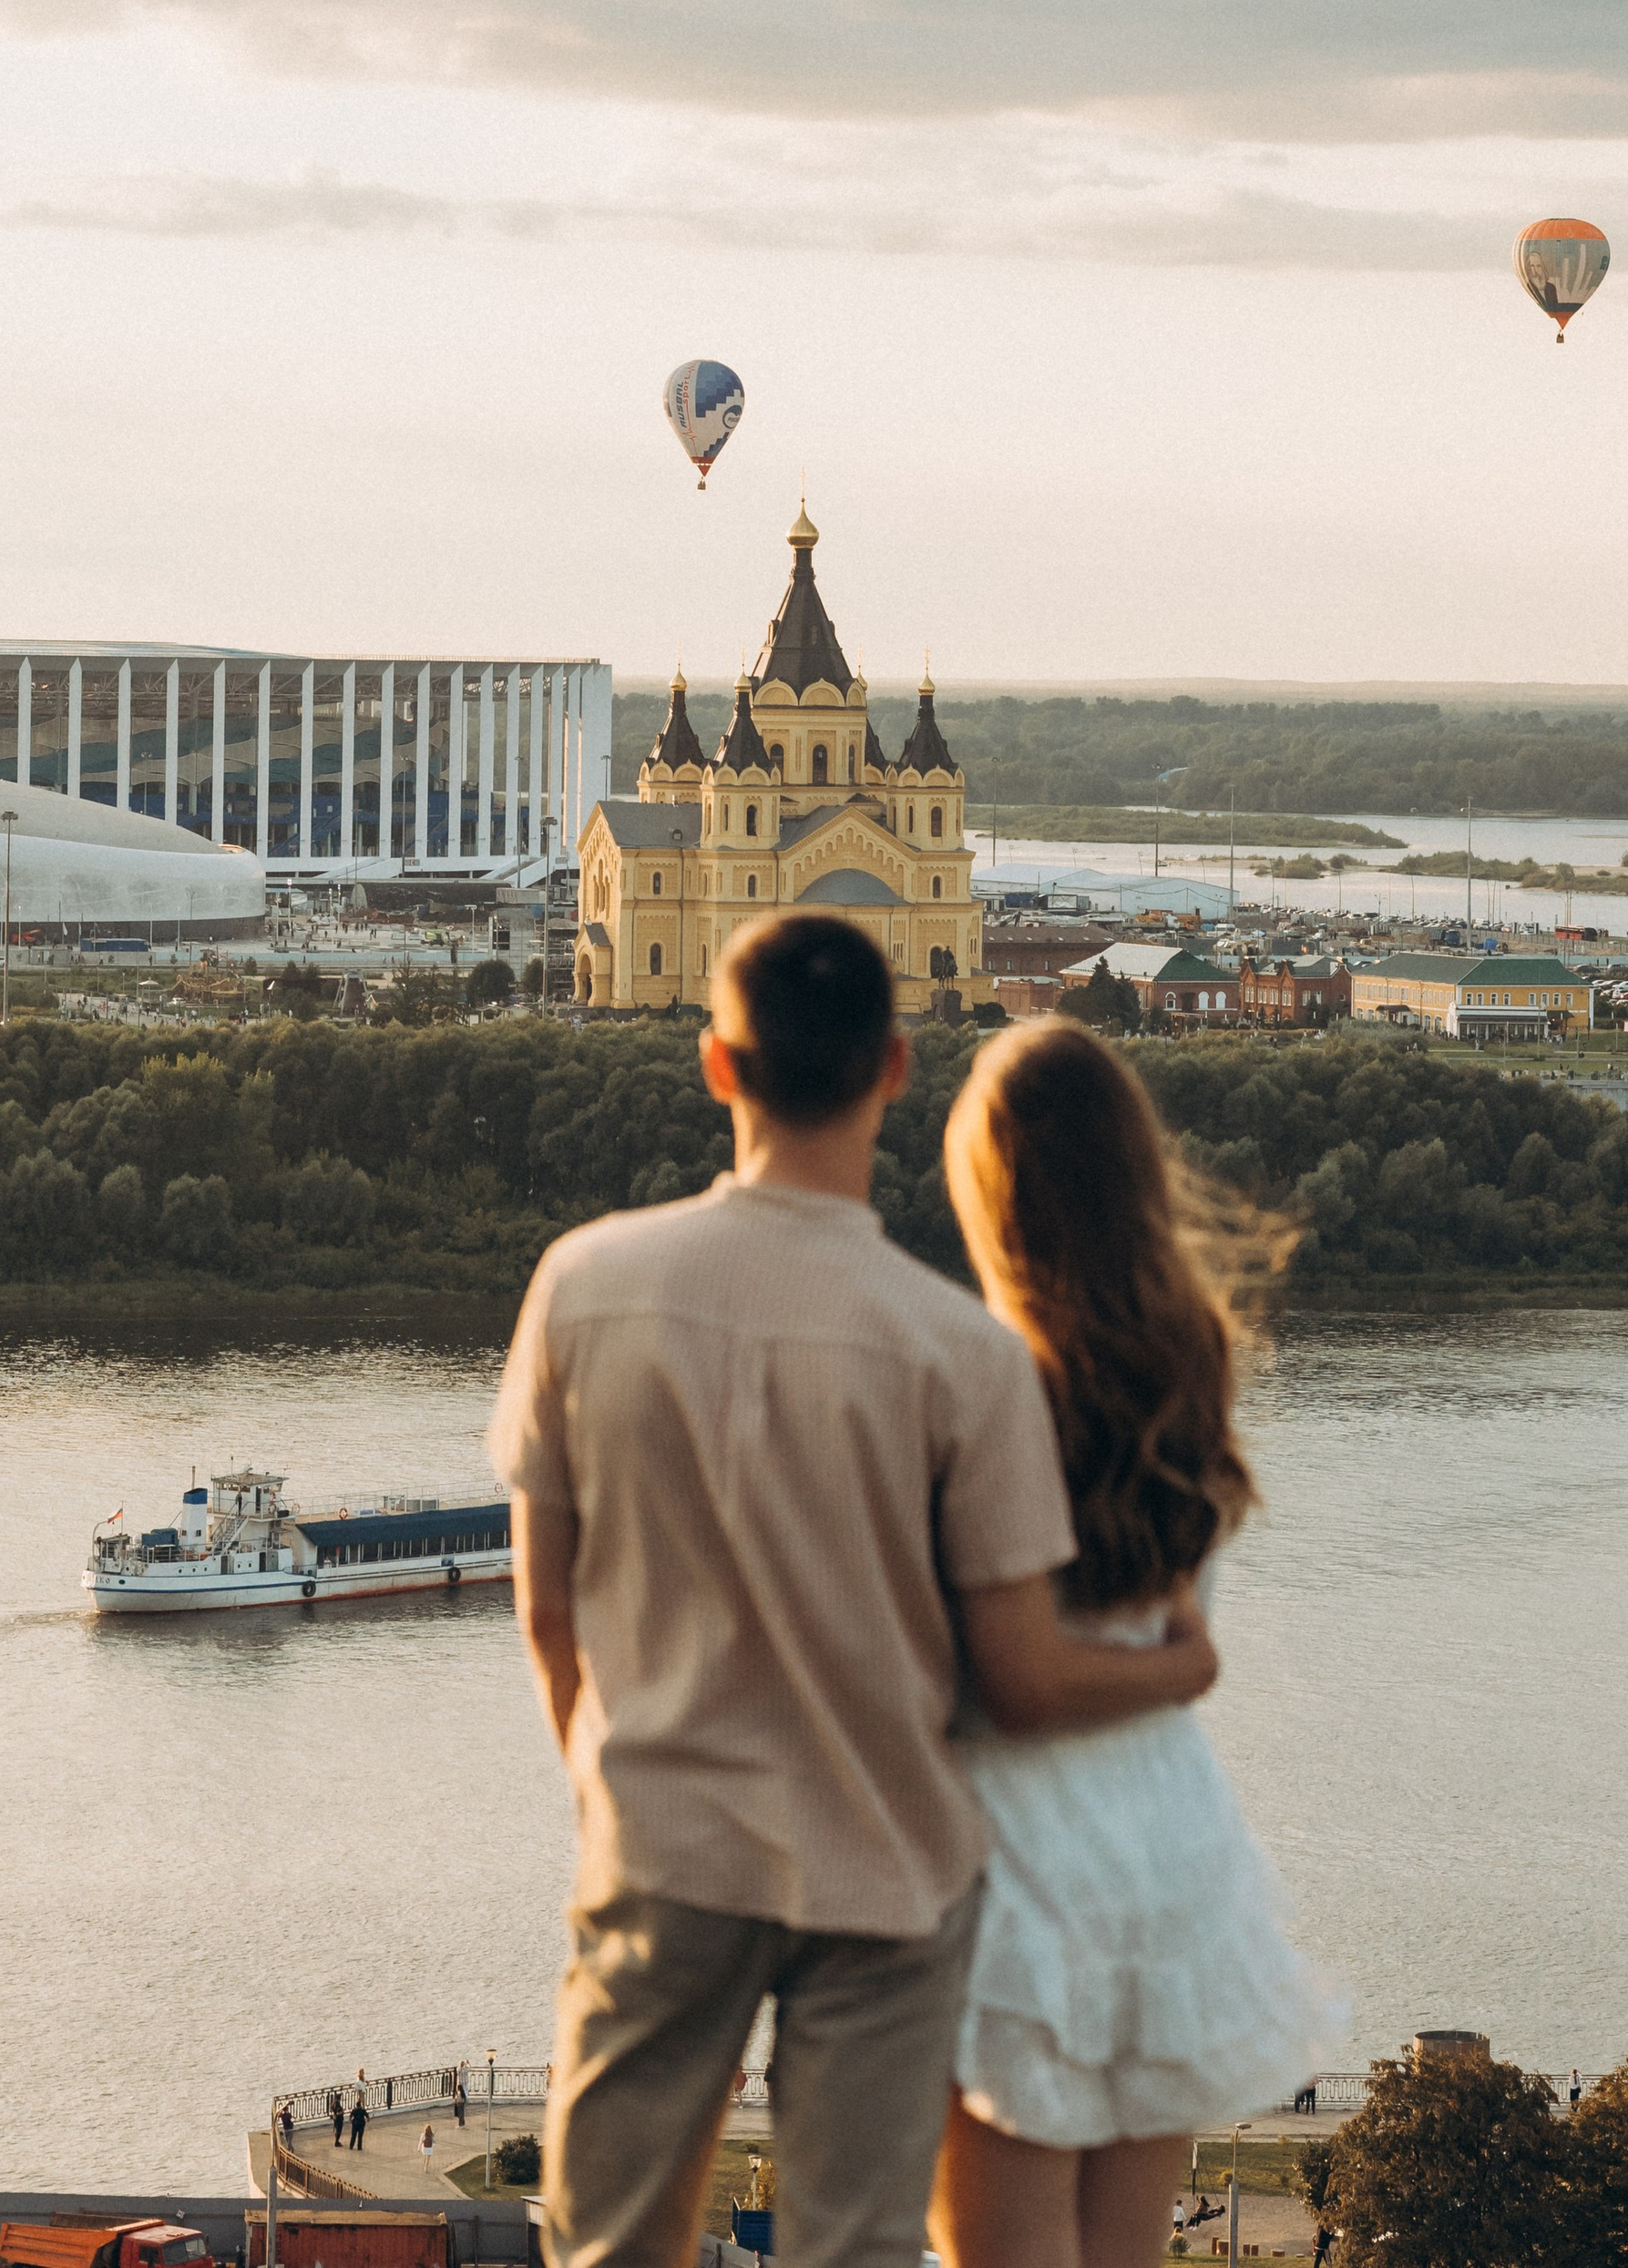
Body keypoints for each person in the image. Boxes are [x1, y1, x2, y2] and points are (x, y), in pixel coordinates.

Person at [492, 912, 1224, 2268]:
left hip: (665, 1844)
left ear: (718, 1065)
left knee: (607, 2244)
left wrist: (606, 1797)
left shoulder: (583, 1288)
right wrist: (1185, 1663)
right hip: (887, 1868)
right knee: (856, 2250)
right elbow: (1017, 1671)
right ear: (894, 1068)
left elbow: (549, 1614)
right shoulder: (960, 1355)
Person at [928, 1018, 1345, 2268]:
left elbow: (1002, 1677)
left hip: (1013, 1855)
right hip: (1166, 1839)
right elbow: (1187, 1637)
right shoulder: (1191, 1356)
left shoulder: (977, 1377)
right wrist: (1179, 1668)